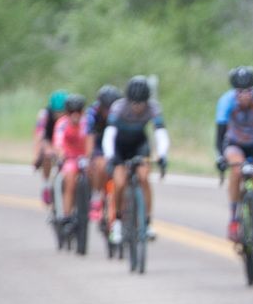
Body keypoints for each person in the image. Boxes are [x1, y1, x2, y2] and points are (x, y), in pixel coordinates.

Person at [103, 75, 170, 245]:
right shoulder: (118, 107)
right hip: (119, 146)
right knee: (119, 182)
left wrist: (162, 155)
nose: (138, 107)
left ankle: (147, 223)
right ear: (128, 100)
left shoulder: (153, 107)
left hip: (139, 144)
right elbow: (109, 135)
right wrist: (110, 156)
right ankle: (117, 222)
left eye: (141, 103)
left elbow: (160, 133)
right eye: (134, 103)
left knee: (144, 177)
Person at [218, 66, 253, 249]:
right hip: (236, 144)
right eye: (240, 92)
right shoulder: (226, 101)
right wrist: (220, 156)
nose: (244, 95)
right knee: (235, 168)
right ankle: (234, 217)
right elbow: (219, 134)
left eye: (248, 91)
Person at [83, 85, 121, 225]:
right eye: (106, 108)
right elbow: (89, 138)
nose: (108, 112)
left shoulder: (121, 111)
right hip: (98, 144)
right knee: (100, 165)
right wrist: (89, 158)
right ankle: (96, 196)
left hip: (116, 143)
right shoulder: (92, 113)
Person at [52, 94, 89, 228]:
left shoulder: (86, 123)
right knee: (70, 178)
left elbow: (91, 141)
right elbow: (58, 142)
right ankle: (67, 214)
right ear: (67, 112)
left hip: (84, 158)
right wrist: (61, 154)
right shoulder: (62, 123)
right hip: (69, 158)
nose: (75, 115)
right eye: (72, 112)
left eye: (78, 111)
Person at [34, 91, 67, 206]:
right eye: (57, 112)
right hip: (50, 141)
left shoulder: (70, 115)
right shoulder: (44, 115)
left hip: (64, 142)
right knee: (46, 155)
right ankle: (46, 185)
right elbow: (39, 136)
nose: (60, 115)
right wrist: (38, 155)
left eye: (62, 112)